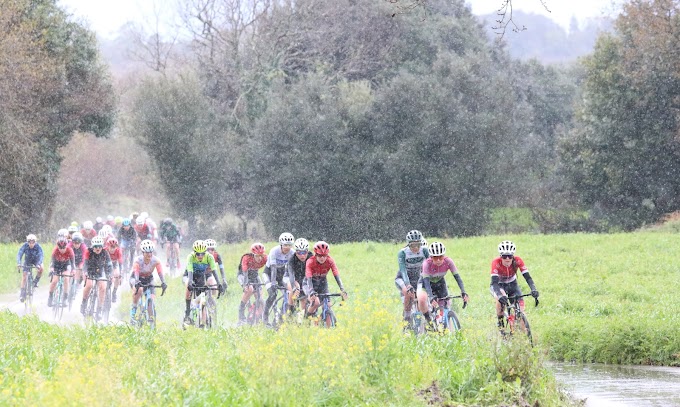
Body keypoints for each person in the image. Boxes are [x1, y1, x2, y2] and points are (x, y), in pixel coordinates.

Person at [416, 241, 469, 327]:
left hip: (440, 283)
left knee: (445, 306)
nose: (438, 260)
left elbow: (457, 277)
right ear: (431, 257)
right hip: (425, 283)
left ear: (444, 256)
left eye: (440, 257)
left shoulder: (448, 262)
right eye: (435, 257)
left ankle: (445, 326)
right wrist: (430, 296)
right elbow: (426, 282)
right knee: (422, 299)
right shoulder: (426, 264)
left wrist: (463, 291)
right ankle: (429, 322)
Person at [490, 240, 539, 329]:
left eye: (510, 256)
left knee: (521, 312)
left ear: (513, 256)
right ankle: (500, 323)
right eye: (504, 256)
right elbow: (494, 283)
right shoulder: (496, 262)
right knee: (500, 301)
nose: (507, 259)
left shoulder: (518, 261)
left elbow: (527, 277)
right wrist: (500, 296)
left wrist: (533, 289)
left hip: (513, 284)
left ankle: (522, 334)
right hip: (499, 285)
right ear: (501, 256)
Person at [303, 241, 348, 326]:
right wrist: (311, 291)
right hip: (309, 283)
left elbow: (336, 274)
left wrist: (342, 289)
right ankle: (306, 321)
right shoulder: (310, 261)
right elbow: (308, 276)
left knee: (328, 305)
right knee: (315, 302)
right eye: (320, 256)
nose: (322, 258)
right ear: (315, 254)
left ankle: (327, 331)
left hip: (322, 283)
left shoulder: (330, 261)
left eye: (324, 256)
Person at [394, 230, 429, 328]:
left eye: (418, 245)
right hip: (402, 278)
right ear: (408, 244)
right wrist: (408, 285)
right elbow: (403, 270)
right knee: (408, 293)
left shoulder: (425, 250)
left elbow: (429, 267)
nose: (416, 248)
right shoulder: (403, 253)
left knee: (420, 298)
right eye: (413, 245)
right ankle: (407, 318)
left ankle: (421, 326)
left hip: (417, 278)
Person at [128, 239, 167, 325]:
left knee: (151, 299)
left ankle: (151, 321)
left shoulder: (156, 260)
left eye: (151, 252)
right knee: (140, 290)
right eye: (147, 252)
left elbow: (160, 272)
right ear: (143, 252)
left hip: (149, 279)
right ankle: (133, 314)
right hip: (136, 278)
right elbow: (136, 272)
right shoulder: (138, 260)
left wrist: (163, 282)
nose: (149, 254)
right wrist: (137, 282)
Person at [183, 240, 220, 325]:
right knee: (188, 285)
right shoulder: (191, 257)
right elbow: (190, 271)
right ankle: (188, 311)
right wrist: (190, 282)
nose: (200, 256)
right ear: (194, 252)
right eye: (198, 254)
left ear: (205, 252)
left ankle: (202, 323)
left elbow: (214, 271)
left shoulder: (209, 257)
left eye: (202, 253)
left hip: (200, 277)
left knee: (201, 298)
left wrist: (219, 283)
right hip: (189, 275)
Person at [263, 232, 295, 324]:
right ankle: (265, 314)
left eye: (289, 245)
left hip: (281, 274)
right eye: (285, 245)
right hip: (269, 273)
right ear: (281, 244)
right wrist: (273, 283)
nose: (287, 247)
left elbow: (291, 270)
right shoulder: (274, 251)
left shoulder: (292, 253)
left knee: (287, 295)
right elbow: (273, 268)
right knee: (272, 294)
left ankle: (281, 315)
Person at [80, 236, 113, 318]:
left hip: (99, 272)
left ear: (102, 246)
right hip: (90, 271)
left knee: (103, 287)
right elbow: (85, 264)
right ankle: (83, 303)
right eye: (95, 246)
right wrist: (85, 272)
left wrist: (109, 274)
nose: (98, 248)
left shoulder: (105, 253)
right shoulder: (88, 252)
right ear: (92, 247)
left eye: (99, 246)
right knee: (89, 285)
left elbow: (109, 265)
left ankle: (99, 309)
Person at [237, 243, 268, 324]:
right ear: (253, 254)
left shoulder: (265, 258)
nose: (260, 258)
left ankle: (260, 316)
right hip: (243, 275)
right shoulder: (246, 258)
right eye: (257, 256)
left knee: (260, 297)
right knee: (249, 289)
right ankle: (241, 313)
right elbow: (245, 272)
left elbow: (270, 268)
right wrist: (245, 284)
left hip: (255, 275)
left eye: (261, 255)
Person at [285, 238, 313, 317]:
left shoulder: (311, 257)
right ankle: (290, 310)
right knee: (294, 289)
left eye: (304, 252)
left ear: (307, 251)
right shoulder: (292, 259)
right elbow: (291, 275)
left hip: (304, 277)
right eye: (299, 253)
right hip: (291, 277)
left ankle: (303, 318)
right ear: (296, 252)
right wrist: (294, 287)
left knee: (304, 300)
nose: (302, 255)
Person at [47, 237, 75, 307]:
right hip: (56, 265)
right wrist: (51, 269)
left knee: (66, 279)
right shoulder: (55, 250)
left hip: (66, 265)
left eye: (64, 247)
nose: (62, 249)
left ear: (66, 246)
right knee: (54, 281)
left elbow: (72, 263)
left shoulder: (70, 250)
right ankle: (50, 297)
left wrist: (73, 271)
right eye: (60, 247)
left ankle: (65, 298)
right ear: (57, 246)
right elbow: (52, 262)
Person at [16, 234, 44, 302]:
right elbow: (19, 254)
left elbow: (41, 256)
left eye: (33, 242)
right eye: (29, 242)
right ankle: (22, 294)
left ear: (35, 242)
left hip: (36, 261)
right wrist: (19, 263)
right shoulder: (25, 246)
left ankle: (36, 282)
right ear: (27, 242)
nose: (31, 244)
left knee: (41, 268)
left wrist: (39, 264)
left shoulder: (38, 247)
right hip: (27, 261)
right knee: (24, 276)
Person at [67, 232, 87, 297]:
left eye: (78, 243)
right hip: (71, 261)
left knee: (80, 270)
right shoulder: (69, 245)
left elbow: (84, 257)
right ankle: (68, 285)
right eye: (75, 243)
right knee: (70, 273)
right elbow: (66, 255)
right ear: (72, 242)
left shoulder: (83, 246)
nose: (76, 245)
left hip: (79, 261)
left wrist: (81, 265)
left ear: (81, 242)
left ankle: (77, 283)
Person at [105, 237, 123, 303]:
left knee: (117, 275)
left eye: (114, 247)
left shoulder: (118, 251)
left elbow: (120, 263)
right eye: (111, 247)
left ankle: (114, 292)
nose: (112, 249)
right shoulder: (104, 250)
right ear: (107, 246)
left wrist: (121, 274)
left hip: (114, 266)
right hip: (105, 266)